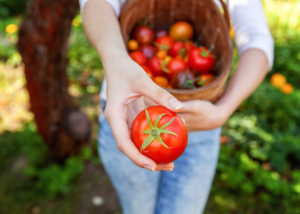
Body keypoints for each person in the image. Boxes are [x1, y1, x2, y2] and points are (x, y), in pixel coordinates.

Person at [79, 0, 274, 213]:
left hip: (201, 122)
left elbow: (257, 38)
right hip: (128, 115)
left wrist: (223, 111)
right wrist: (115, 58)